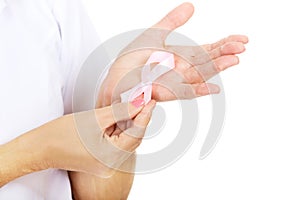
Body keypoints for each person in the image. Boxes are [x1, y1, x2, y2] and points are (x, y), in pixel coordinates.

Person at [0, 0, 248, 199]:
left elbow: (102, 195)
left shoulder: (46, 7)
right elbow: (46, 149)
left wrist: (113, 102)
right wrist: (36, 152)